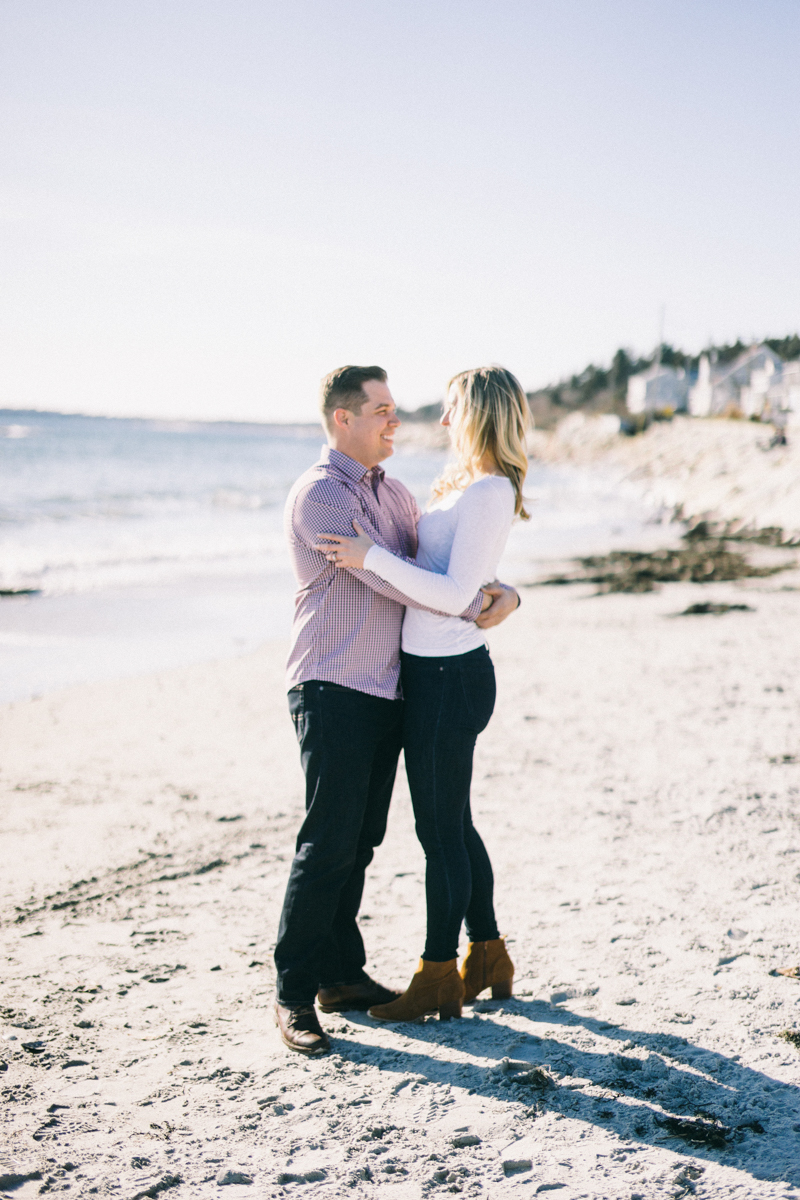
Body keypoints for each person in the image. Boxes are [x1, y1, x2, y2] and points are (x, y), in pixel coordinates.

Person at [273, 365, 520, 1055]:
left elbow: (433, 570)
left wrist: (497, 592)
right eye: (381, 409)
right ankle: (294, 995)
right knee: (326, 842)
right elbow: (399, 582)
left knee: (361, 841)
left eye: (393, 408)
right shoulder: (321, 494)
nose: (395, 420)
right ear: (342, 418)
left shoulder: (399, 495)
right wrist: (471, 602)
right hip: (332, 684)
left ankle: (340, 975)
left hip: (388, 687)